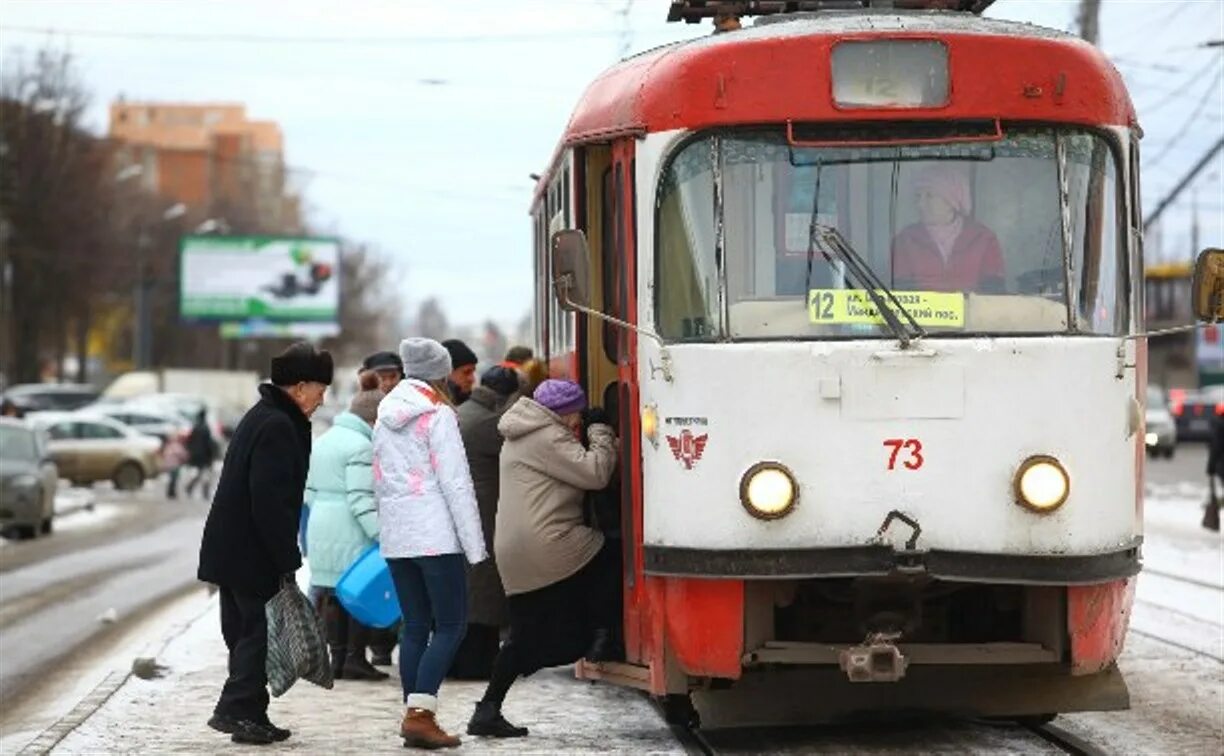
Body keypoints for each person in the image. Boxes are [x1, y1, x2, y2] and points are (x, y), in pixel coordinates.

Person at [197, 342, 333, 746]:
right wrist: (285, 558)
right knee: (259, 633)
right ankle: (235, 709)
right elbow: (269, 501)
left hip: (234, 548)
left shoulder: (265, 415)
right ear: (299, 386)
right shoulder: (277, 425)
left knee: (246, 634)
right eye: (319, 389)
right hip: (251, 551)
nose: (322, 398)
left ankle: (251, 715)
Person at [466, 379, 618, 739]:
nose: (579, 421)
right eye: (578, 414)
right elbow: (596, 473)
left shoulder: (521, 431)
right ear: (566, 412)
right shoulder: (548, 436)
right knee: (614, 553)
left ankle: (487, 709)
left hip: (518, 549)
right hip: (550, 544)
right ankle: (606, 635)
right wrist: (600, 430)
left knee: (526, 635)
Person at [375, 337, 487, 749]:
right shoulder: (438, 415)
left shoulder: (385, 414)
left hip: (399, 538)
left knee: (416, 626)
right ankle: (420, 715)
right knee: (452, 625)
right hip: (436, 536)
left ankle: (413, 713)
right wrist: (474, 546)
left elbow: (380, 480)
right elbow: (456, 484)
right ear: (441, 373)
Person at [305, 373, 388, 682]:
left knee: (331, 595)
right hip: (351, 530)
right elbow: (361, 499)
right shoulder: (362, 446)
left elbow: (309, 492)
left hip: (321, 525)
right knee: (358, 593)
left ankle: (336, 659)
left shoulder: (324, 440)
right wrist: (382, 535)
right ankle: (354, 658)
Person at [449, 365, 522, 680]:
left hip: (462, 512)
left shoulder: (464, 411)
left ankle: (464, 659)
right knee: (483, 588)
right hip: (482, 513)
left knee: (469, 587)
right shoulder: (489, 422)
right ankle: (476, 663)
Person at [891, 164, 1006, 294]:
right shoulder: (905, 240)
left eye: (929, 196)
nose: (920, 204)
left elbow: (994, 293)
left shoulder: (983, 238)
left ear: (952, 201)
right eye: (918, 196)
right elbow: (901, 293)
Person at [184, 410, 218, 500]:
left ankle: (191, 487)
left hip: (196, 455)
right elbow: (208, 443)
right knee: (206, 474)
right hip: (204, 456)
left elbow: (189, 441)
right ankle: (204, 492)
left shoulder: (195, 427)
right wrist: (211, 456)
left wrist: (190, 451)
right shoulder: (206, 428)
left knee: (200, 473)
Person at [441, 338, 478, 406]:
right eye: (466, 372)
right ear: (446, 373)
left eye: (473, 372)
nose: (472, 379)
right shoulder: (430, 410)